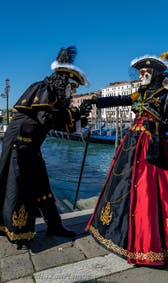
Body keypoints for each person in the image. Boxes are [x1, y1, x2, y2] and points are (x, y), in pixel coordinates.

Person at [85, 50, 168, 265]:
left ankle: (155, 243)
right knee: (124, 186)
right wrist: (94, 102)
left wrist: (156, 125)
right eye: (140, 72)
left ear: (156, 74)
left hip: (154, 146)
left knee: (154, 191)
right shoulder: (141, 94)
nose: (141, 75)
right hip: (131, 144)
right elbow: (119, 99)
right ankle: (123, 234)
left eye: (145, 71)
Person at [0, 45, 91, 249]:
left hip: (32, 147)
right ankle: (19, 232)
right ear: (64, 81)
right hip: (20, 145)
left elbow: (59, 122)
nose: (73, 92)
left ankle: (55, 225)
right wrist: (74, 113)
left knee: (43, 186)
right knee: (20, 187)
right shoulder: (43, 89)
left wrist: (78, 115)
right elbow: (46, 118)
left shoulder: (55, 98)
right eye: (72, 87)